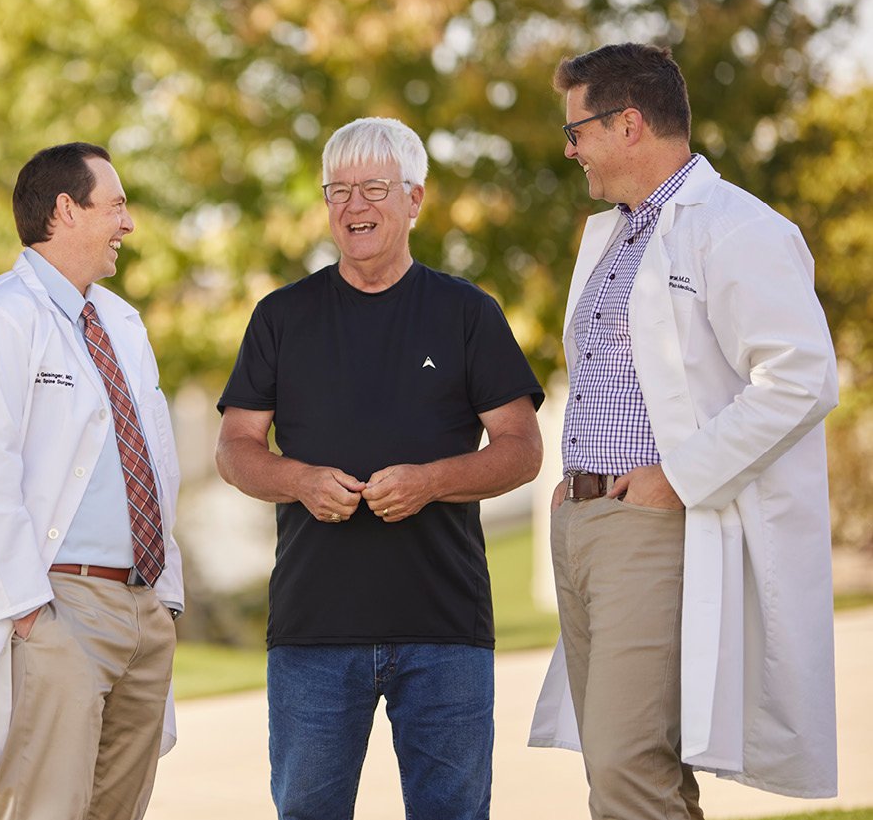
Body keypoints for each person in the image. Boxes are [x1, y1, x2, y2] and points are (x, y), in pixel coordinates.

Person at [529, 43, 840, 819]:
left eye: (578, 131)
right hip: (583, 523)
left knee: (629, 765)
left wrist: (676, 476)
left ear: (628, 123)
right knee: (626, 767)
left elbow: (801, 376)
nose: (570, 150)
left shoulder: (737, 228)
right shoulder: (607, 235)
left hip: (655, 522)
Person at [215, 116, 544, 820]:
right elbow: (235, 446)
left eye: (372, 188)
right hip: (313, 628)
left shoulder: (467, 313)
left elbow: (522, 447)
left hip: (444, 625)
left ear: (415, 199)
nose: (353, 206)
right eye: (338, 190)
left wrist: (430, 482)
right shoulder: (280, 316)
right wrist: (300, 480)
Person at [0, 142, 185, 820]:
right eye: (117, 206)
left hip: (141, 607)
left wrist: (166, 605)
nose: (127, 224)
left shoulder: (122, 323)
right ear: (67, 209)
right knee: (45, 808)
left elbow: (156, 462)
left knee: (116, 811)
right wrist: (33, 616)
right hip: (61, 603)